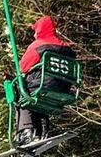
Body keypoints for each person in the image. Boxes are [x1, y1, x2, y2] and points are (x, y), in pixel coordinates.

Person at [14, 15, 76, 146]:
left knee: (21, 96)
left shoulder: (38, 46)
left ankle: (26, 131)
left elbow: (22, 67)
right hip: (64, 87)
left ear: (40, 30)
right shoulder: (67, 49)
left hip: (41, 84)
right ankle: (44, 129)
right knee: (39, 100)